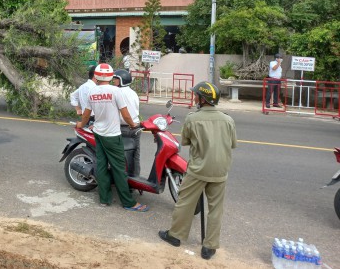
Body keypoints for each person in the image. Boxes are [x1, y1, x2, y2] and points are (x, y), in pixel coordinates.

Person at [159, 81, 237, 260]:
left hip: (198, 169)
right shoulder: (228, 120)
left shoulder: (193, 118)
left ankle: (175, 236)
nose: (194, 97)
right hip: (220, 171)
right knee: (216, 209)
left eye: (196, 95)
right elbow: (232, 144)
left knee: (185, 202)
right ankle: (209, 247)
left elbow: (185, 141)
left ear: (203, 99)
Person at [77, 63, 149, 212]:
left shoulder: (92, 92)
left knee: (102, 166)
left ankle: (104, 199)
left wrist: (80, 124)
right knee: (119, 168)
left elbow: (86, 114)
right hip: (113, 135)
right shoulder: (116, 91)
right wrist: (133, 125)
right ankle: (128, 202)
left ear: (96, 76)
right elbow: (125, 113)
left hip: (98, 133)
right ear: (111, 76)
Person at [112, 69, 141, 178]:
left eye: (115, 79)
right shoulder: (133, 92)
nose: (114, 81)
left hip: (124, 128)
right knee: (135, 156)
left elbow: (125, 114)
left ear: (121, 80)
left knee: (120, 156)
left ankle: (120, 179)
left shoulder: (118, 93)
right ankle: (136, 178)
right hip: (136, 128)